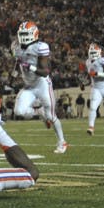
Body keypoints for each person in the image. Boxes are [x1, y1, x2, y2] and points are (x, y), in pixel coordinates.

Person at [11, 21, 68, 153]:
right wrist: (13, 75)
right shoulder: (16, 46)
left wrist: (29, 66)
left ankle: (62, 142)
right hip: (29, 86)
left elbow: (45, 72)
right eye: (22, 34)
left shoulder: (40, 47)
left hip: (42, 84)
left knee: (51, 115)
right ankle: (38, 112)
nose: (24, 36)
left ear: (34, 34)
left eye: (26, 33)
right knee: (19, 111)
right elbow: (17, 62)